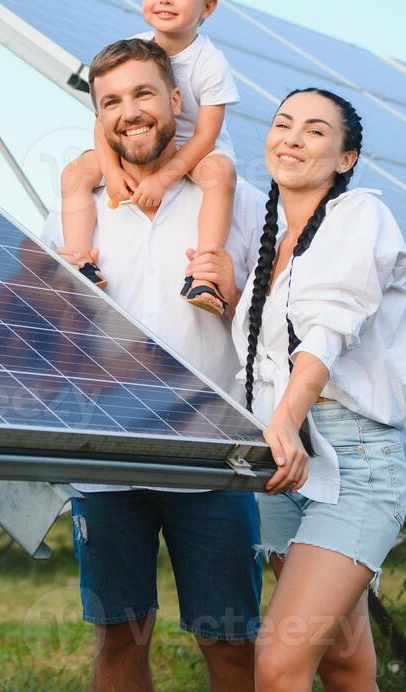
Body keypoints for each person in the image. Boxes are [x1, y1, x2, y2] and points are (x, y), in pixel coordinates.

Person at [44, 38, 265, 692]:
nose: (128, 112)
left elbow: (278, 329)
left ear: (174, 100)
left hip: (209, 456)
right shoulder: (75, 205)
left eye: (142, 94)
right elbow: (44, 329)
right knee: (118, 636)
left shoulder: (236, 201)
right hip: (104, 454)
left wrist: (230, 299)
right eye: (110, 101)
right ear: (96, 116)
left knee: (227, 642)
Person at [187, 87, 406, 691]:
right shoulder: (273, 245)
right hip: (287, 464)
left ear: (346, 159)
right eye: (283, 123)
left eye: (315, 131)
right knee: (341, 660)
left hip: (353, 460)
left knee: (279, 662)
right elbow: (272, 354)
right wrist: (233, 301)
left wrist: (283, 421)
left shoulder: (359, 215)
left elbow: (328, 333)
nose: (291, 137)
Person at [59, 0, 239, 316]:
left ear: (208, 7)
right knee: (76, 173)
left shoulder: (210, 63)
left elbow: (206, 135)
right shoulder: (134, 49)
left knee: (220, 176)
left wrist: (164, 179)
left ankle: (204, 273)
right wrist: (110, 170)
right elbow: (102, 119)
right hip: (137, 148)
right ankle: (79, 260)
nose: (165, 0)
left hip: (194, 152)